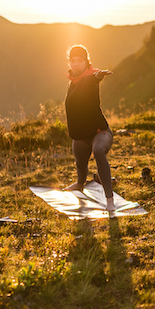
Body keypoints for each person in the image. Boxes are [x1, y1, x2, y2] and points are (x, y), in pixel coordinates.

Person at [63, 45, 116, 213]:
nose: (76, 64)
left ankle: (109, 200)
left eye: (80, 60)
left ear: (86, 62)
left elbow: (92, 79)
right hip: (81, 135)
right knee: (81, 163)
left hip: (100, 132)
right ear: (69, 63)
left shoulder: (89, 79)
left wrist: (98, 76)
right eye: (73, 60)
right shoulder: (72, 83)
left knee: (98, 151)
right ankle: (79, 184)